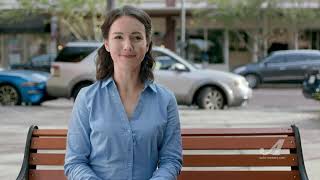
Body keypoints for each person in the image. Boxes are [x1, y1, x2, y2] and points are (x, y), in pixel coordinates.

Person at [64, 5, 183, 180]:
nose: (128, 46)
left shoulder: (165, 100)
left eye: (136, 37)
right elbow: (75, 162)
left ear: (147, 44)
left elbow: (171, 160)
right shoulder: (87, 98)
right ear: (107, 44)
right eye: (118, 37)